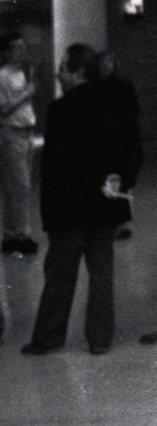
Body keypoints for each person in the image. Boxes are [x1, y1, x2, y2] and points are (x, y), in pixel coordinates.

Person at [21, 44, 142, 355]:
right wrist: (119, 181)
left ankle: (48, 337)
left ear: (76, 73)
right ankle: (100, 339)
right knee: (102, 272)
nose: (58, 74)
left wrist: (49, 213)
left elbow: (57, 165)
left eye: (63, 68)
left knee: (60, 273)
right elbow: (133, 150)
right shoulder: (115, 104)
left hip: (70, 207)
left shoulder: (60, 110)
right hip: (106, 202)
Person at [0, 33, 40, 255]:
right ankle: (22, 235)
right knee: (21, 187)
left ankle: (10, 234)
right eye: (16, 47)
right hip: (12, 133)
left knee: (14, 188)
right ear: (6, 52)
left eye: (23, 47)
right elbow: (3, 109)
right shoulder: (3, 76)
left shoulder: (20, 74)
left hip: (26, 132)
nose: (22, 51)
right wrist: (27, 94)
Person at [98, 51, 140, 241]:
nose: (106, 66)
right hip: (105, 138)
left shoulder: (123, 84)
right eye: (103, 62)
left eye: (109, 62)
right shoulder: (95, 86)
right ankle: (112, 220)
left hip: (121, 138)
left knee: (120, 180)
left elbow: (133, 111)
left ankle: (121, 222)